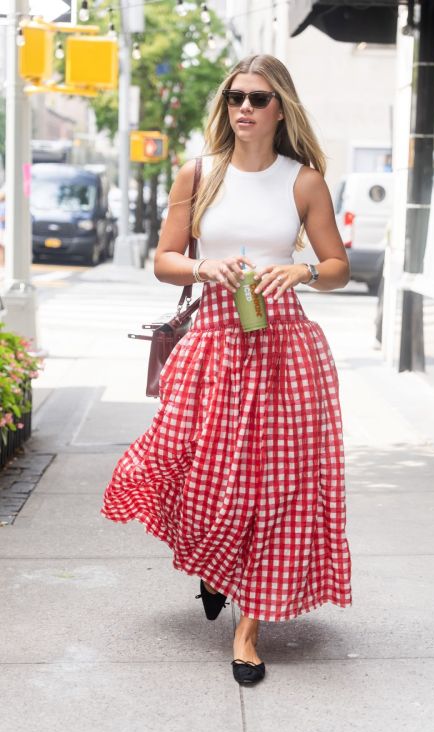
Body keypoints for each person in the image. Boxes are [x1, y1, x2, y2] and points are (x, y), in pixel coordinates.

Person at [101, 54, 352, 686]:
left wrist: (303, 270)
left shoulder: (305, 181)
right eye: (236, 96)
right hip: (212, 343)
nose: (244, 107)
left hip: (283, 351)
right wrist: (200, 267)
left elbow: (339, 267)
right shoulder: (199, 173)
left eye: (259, 98)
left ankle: (248, 629)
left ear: (280, 108)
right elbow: (163, 259)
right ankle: (215, 566)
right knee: (194, 470)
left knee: (274, 489)